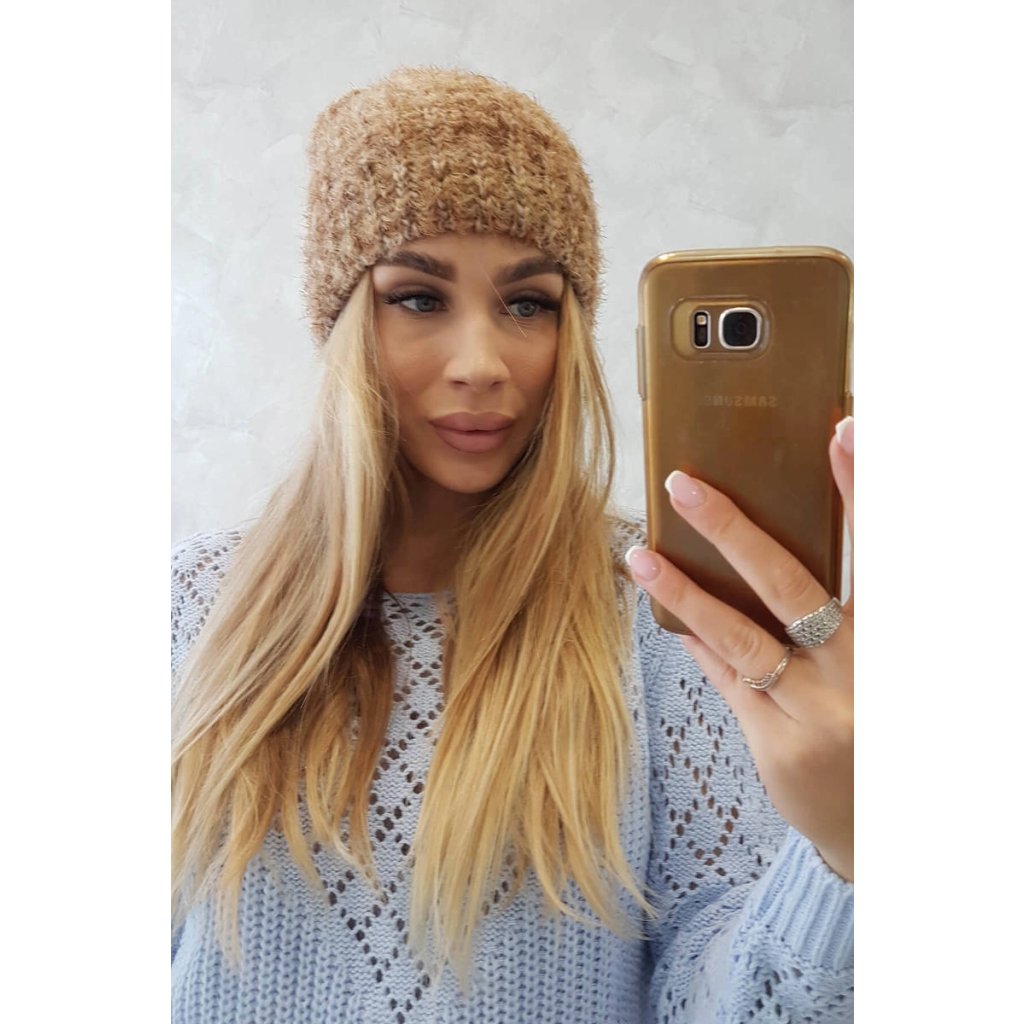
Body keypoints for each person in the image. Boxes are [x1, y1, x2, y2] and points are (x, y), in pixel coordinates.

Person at [171, 66, 854, 1023]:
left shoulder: (661, 622)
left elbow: (717, 997)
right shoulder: (185, 607)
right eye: (418, 297)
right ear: (342, 321)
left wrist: (845, 855)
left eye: (529, 304)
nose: (482, 363)